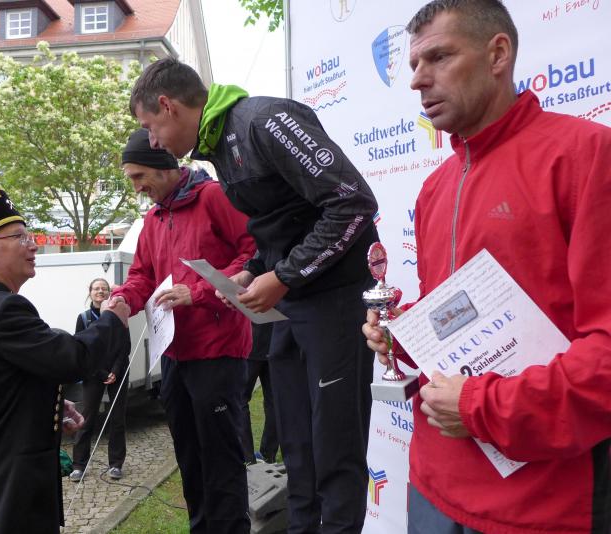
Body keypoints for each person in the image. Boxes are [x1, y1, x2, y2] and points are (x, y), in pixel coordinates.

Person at [361, 1, 611, 532]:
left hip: (539, 504)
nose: (417, 79)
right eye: (413, 64)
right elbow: (457, 319)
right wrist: (404, 335)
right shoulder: (434, 188)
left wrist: (481, 407)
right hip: (432, 484)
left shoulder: (586, 155)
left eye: (438, 57)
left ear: (498, 54)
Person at [130, 59, 379, 533]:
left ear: (168, 105)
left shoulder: (264, 120)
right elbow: (279, 228)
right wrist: (252, 271)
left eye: (150, 127)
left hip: (333, 302)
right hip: (289, 307)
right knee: (297, 448)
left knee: (335, 449)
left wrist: (282, 275)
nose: (154, 142)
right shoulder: (218, 149)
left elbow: (353, 202)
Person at [0, 152, 131, 534]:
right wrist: (112, 320)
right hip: (6, 491)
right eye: (20, 237)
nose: (33, 245)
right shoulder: (3, 308)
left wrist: (48, 404)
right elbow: (73, 359)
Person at [107, 129, 256, 533]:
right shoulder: (152, 219)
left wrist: (199, 292)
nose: (137, 188)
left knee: (221, 459)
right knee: (189, 458)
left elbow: (252, 255)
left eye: (139, 177)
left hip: (218, 350)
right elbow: (142, 276)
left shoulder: (214, 197)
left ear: (162, 166)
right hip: (172, 352)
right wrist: (122, 300)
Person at [70, 277, 129, 482]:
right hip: (94, 373)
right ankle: (78, 466)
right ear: (90, 292)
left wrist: (115, 370)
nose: (100, 291)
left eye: (104, 288)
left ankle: (116, 465)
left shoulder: (118, 315)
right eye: (96, 288)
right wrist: (102, 373)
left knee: (117, 419)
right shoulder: (84, 318)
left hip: (118, 371)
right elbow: (82, 349)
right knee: (86, 418)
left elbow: (125, 346)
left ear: (109, 293)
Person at [240, 322, 278, 465]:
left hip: (253, 339)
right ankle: (268, 454)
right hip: (276, 340)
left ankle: (247, 457)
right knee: (275, 401)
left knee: (240, 399)